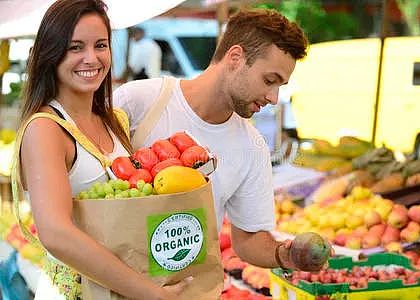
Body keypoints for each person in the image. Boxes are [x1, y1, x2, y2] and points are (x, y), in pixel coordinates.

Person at [13, 0, 186, 299]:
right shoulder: (45, 128)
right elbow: (56, 233)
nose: (91, 58)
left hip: (119, 289)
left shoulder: (113, 120)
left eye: (101, 45)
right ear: (51, 54)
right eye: (75, 47)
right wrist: (148, 292)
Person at [114, 9, 310, 270]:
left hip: (184, 287)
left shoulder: (252, 147)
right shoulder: (136, 102)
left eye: (279, 87)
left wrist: (284, 255)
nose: (273, 98)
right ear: (236, 58)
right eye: (269, 80)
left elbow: (248, 240)